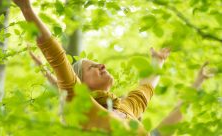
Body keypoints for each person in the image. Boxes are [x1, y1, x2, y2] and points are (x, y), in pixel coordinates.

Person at [13, 0, 170, 134]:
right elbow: (56, 56)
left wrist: (157, 63)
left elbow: (144, 90)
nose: (102, 65)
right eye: (92, 67)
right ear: (81, 84)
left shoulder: (125, 108)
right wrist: (27, 9)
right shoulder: (81, 103)